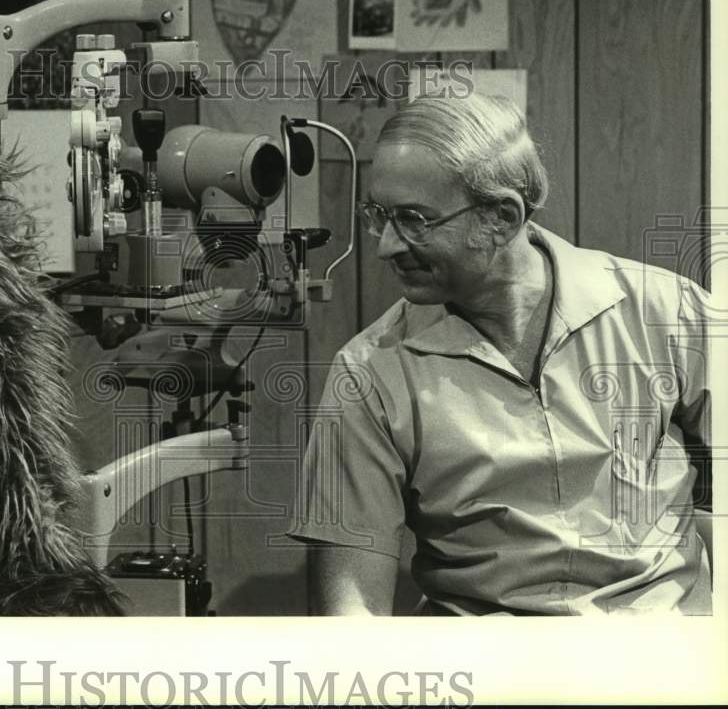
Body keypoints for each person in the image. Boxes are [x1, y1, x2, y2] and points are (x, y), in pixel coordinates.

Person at [288, 93, 711, 615]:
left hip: (663, 662)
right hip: (486, 670)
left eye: (415, 220)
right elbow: (351, 611)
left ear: (503, 218)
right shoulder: (368, 373)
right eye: (380, 217)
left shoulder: (667, 311)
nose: (387, 247)